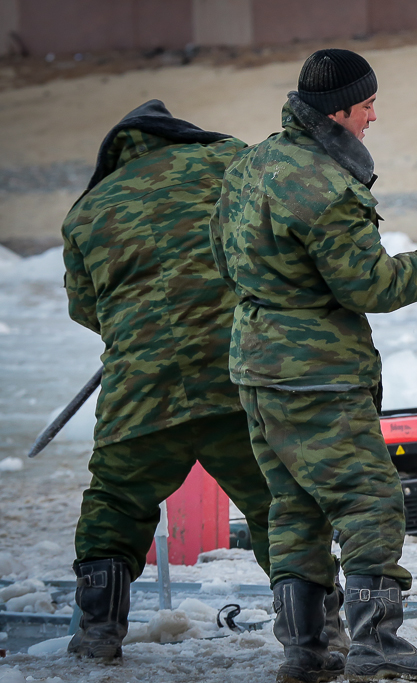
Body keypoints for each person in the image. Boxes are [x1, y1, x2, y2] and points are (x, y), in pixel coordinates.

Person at [210, 49, 417, 683]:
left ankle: (305, 650)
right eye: (366, 106)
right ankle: (376, 645)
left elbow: (223, 262)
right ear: (338, 111)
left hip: (256, 366)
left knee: (293, 507)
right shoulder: (326, 186)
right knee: (368, 501)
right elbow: (371, 287)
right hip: (319, 374)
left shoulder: (249, 166)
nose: (372, 117)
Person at [61, 101, 275, 660]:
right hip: (240, 375)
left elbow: (88, 310)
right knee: (281, 503)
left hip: (139, 390)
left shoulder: (87, 211)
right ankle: (314, 634)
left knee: (115, 503)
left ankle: (97, 633)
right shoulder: (233, 161)